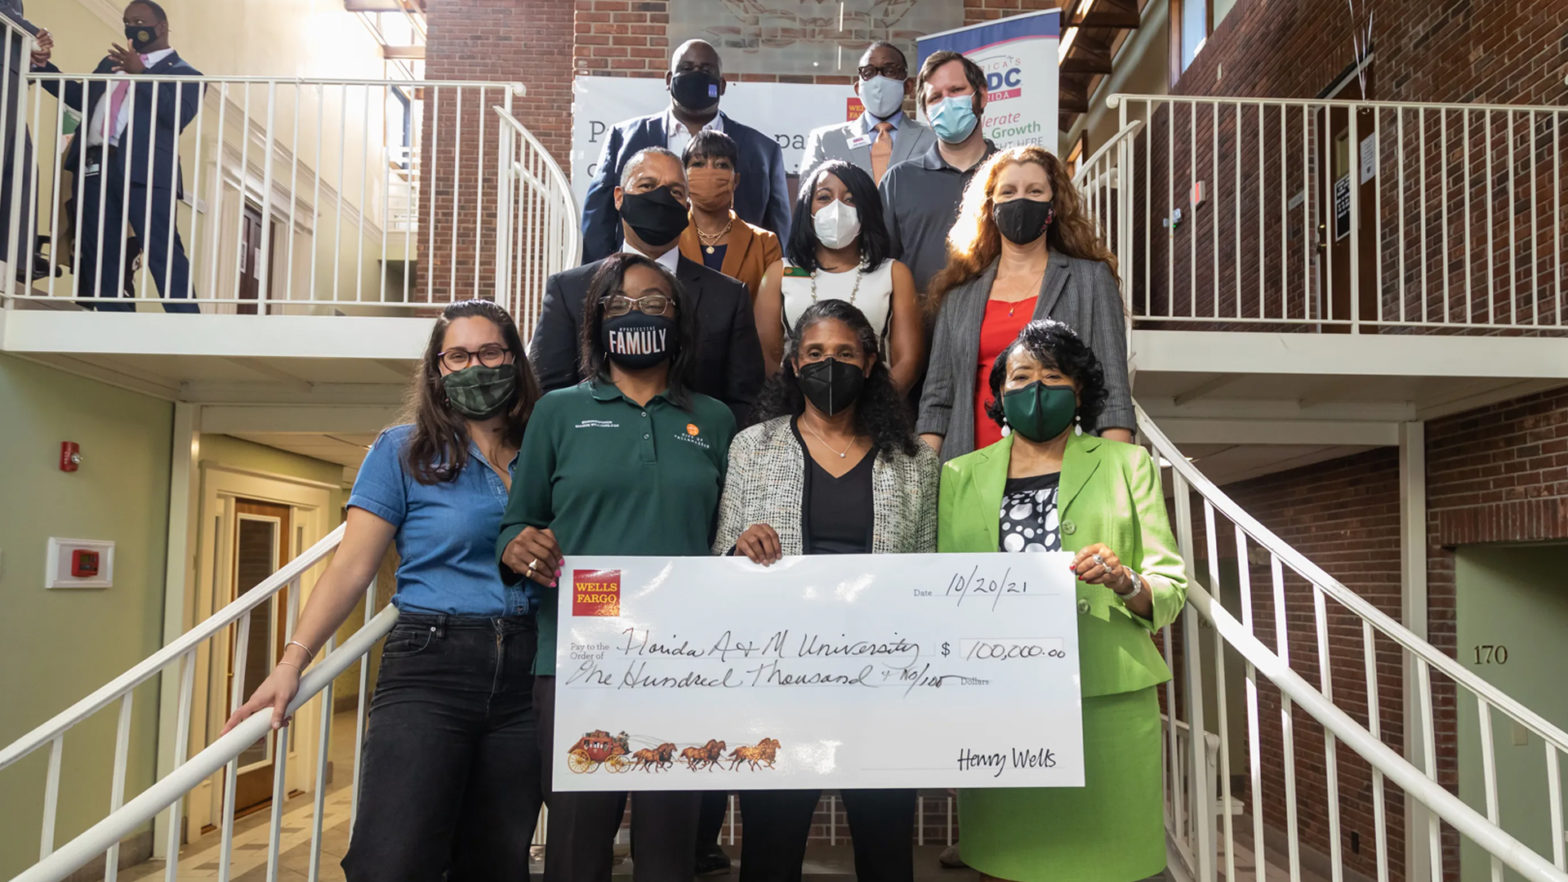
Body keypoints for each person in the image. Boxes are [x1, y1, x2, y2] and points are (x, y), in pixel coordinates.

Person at [223, 299, 547, 881]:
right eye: (458, 356)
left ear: (514, 360)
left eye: (490, 352)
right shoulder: (403, 450)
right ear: (437, 369)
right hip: (432, 665)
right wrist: (292, 661)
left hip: (532, 671)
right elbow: (351, 568)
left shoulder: (550, 451)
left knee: (497, 861)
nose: (475, 366)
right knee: (392, 858)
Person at [498, 252, 737, 881]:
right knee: (577, 846)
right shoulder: (557, 412)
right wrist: (517, 545)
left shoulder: (714, 419)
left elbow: (724, 539)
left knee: (670, 849)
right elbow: (517, 522)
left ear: (678, 320)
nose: (637, 314)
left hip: (683, 662)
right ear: (597, 320)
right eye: (620, 303)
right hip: (579, 659)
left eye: (655, 302)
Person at [937, 318, 1186, 882]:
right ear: (1000, 392)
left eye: (1053, 376)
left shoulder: (1128, 465)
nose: (1036, 388)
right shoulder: (958, 475)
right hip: (1001, 700)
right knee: (1006, 862)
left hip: (1106, 698)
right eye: (1021, 376)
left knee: (1109, 862)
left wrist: (1125, 580)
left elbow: (1170, 588)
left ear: (1079, 391)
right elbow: (948, 591)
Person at [716, 298, 937, 882]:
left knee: (886, 847)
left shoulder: (915, 460)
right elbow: (718, 565)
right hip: (780, 683)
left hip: (884, 682)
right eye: (814, 353)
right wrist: (739, 549)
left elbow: (930, 573)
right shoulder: (751, 447)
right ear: (793, 364)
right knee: (771, 846)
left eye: (844, 353)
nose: (829, 364)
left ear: (870, 363)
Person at [917, 144, 1135, 463]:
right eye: (1008, 192)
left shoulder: (1090, 280)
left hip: (1066, 469)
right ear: (990, 206)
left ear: (1054, 205)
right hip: (970, 470)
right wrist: (921, 480)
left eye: (1035, 191)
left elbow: (1112, 392)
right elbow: (936, 404)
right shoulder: (959, 294)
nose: (1021, 201)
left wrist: (1118, 475)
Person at [532, 146, 764, 426]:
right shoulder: (568, 290)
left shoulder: (728, 296)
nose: (661, 198)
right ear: (619, 197)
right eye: (647, 186)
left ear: (686, 209)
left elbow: (745, 399)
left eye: (675, 192)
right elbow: (546, 391)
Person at [35, 0, 202, 312]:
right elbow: (81, 97)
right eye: (127, 21)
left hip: (147, 171)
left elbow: (176, 115)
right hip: (96, 164)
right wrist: (43, 68)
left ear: (161, 27)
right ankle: (112, 318)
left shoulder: (186, 73)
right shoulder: (110, 64)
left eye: (139, 22)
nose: (131, 27)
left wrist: (142, 75)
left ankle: (186, 321)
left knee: (161, 248)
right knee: (99, 249)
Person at [581, 39, 789, 263]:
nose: (696, 75)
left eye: (706, 70)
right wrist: (600, 275)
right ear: (669, 80)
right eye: (687, 68)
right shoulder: (623, 138)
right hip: (642, 272)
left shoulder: (762, 151)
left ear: (722, 85)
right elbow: (598, 221)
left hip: (734, 277)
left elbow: (779, 233)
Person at [755, 160, 923, 396]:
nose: (837, 208)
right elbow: (765, 356)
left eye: (850, 199)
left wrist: (876, 405)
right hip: (795, 406)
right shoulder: (778, 273)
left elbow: (909, 361)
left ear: (867, 209)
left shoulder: (895, 274)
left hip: (874, 408)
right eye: (824, 197)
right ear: (807, 208)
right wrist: (802, 406)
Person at [878, 50, 998, 298]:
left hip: (998, 319)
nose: (947, 102)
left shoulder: (1011, 176)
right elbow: (879, 267)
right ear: (926, 113)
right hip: (921, 320)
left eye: (956, 90)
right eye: (935, 97)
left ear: (983, 95)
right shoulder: (898, 181)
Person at [802, 41, 935, 186]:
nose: (878, 80)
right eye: (868, 73)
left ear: (908, 86)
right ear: (858, 88)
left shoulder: (933, 138)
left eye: (889, 71)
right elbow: (809, 196)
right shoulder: (825, 140)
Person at [677, 129, 781, 301]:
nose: (709, 172)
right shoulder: (669, 238)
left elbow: (769, 307)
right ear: (683, 178)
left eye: (721, 165)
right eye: (698, 164)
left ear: (736, 180)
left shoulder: (764, 243)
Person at [2, 1, 44, 276]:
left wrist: (33, 56)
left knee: (24, 169)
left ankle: (13, 260)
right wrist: (37, 35)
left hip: (13, 75)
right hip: (4, 73)